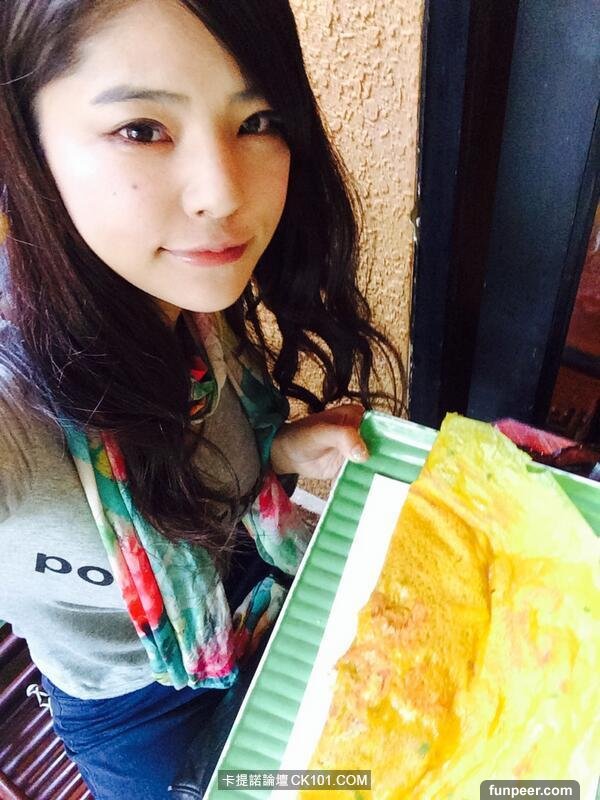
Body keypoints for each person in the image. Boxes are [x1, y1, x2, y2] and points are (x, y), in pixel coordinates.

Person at [0, 1, 404, 798]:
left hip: (257, 590)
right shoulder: (18, 395)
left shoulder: (181, 292)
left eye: (257, 121)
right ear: (26, 141)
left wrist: (280, 449)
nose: (223, 193)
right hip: (133, 707)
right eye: (142, 128)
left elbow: (188, 454)